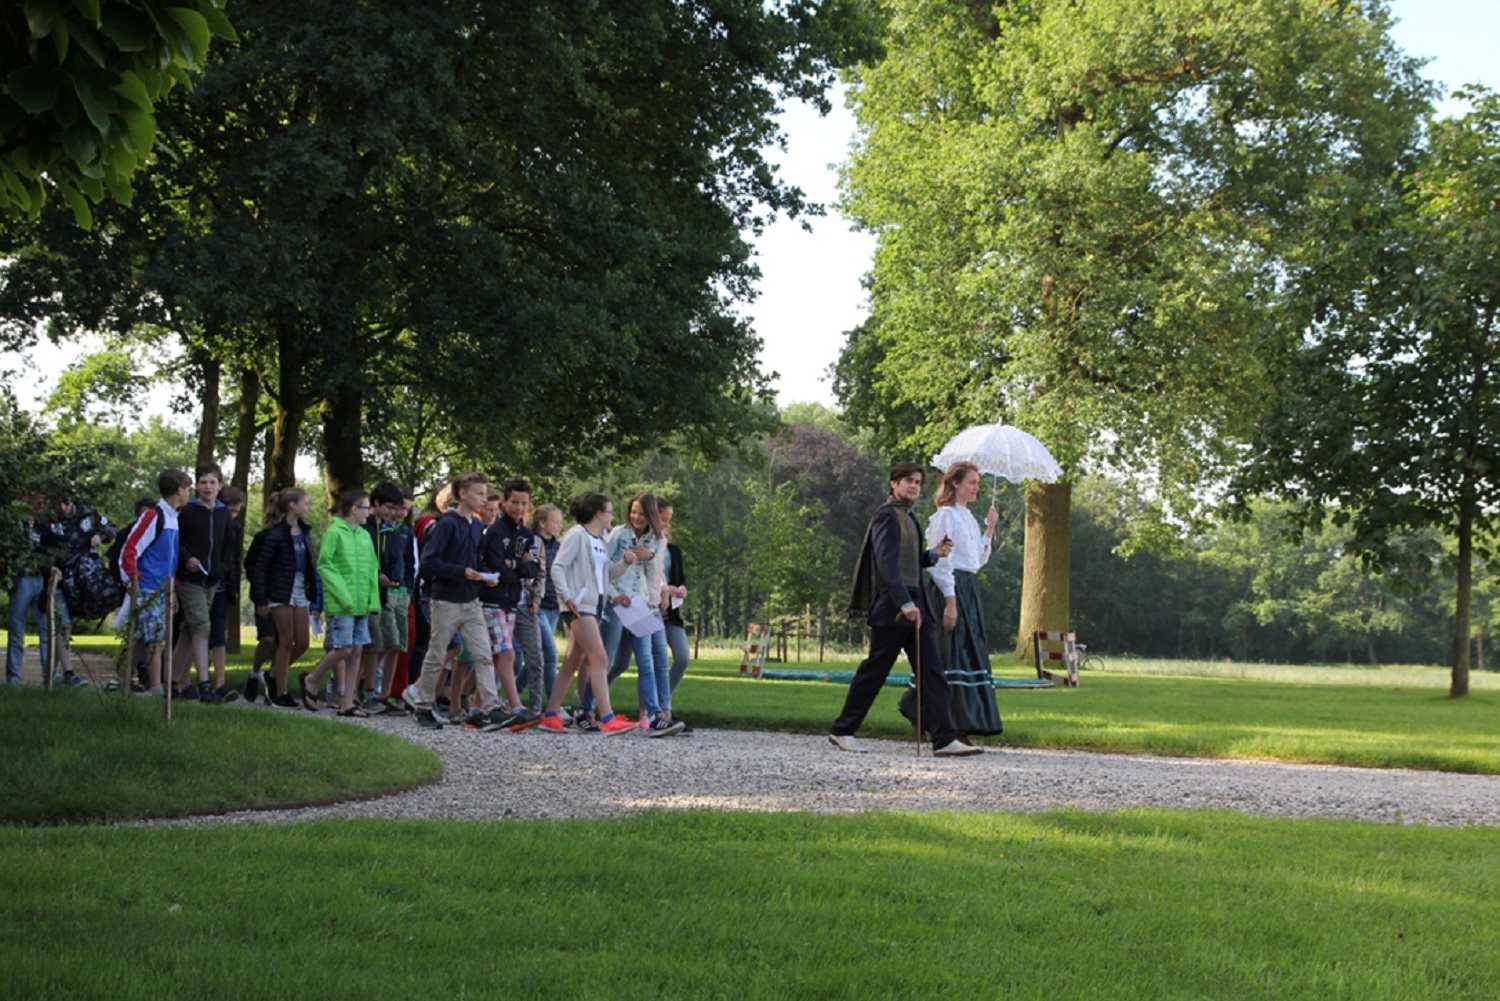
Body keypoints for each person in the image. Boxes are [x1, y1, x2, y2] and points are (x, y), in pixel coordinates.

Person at [830, 462, 981, 757]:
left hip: (916, 606)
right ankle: (843, 729)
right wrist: (905, 603)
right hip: (894, 608)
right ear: (894, 484)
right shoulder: (887, 517)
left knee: (932, 671)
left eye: (918, 483)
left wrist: (932, 555)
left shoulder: (907, 517)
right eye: (908, 481)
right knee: (875, 670)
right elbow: (887, 566)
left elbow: (909, 561)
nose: (914, 486)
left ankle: (944, 739)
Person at [405, 471, 510, 731]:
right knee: (437, 653)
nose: (484, 500)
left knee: (484, 654)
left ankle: (490, 708)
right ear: (462, 494)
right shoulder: (446, 524)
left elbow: (473, 560)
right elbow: (430, 563)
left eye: (485, 494)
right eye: (479, 494)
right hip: (446, 601)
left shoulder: (475, 526)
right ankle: (422, 706)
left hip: (471, 601)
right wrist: (461, 572)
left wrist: (484, 575)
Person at [538, 493, 636, 735]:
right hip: (579, 606)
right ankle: (608, 717)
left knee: (572, 662)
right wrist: (567, 596)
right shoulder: (576, 535)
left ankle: (550, 715)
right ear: (599, 513)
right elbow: (558, 567)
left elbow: (606, 575)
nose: (613, 515)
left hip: (593, 606)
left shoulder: (600, 540)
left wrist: (624, 564)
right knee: (600, 658)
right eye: (611, 511)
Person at [924, 461, 1003, 740]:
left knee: (969, 653)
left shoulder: (968, 518)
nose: (976, 488)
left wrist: (990, 529)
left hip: (968, 587)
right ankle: (942, 723)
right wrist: (950, 601)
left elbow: (976, 561)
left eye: (978, 483)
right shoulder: (945, 516)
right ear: (955, 483)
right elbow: (939, 561)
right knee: (949, 654)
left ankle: (962, 722)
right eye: (971, 482)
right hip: (951, 588)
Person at [301, 489, 380, 717]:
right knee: (343, 648)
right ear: (354, 509)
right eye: (366, 507)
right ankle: (312, 679)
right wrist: (343, 596)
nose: (370, 512)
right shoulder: (334, 533)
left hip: (361, 605)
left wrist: (371, 601)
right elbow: (325, 565)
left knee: (357, 650)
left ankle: (348, 702)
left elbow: (372, 570)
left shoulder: (365, 536)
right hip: (342, 604)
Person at [119, 469, 193, 696]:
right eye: (188, 489)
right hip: (148, 586)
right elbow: (130, 548)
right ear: (180, 490)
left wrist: (174, 587)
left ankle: (120, 678)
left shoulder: (173, 518)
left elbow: (169, 558)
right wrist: (131, 578)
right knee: (156, 639)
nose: (189, 493)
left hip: (163, 587)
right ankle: (156, 687)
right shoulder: (154, 516)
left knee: (143, 638)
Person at [478, 478, 542, 726]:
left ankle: (476, 707)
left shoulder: (527, 534)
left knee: (496, 658)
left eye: (523, 503)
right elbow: (496, 569)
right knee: (507, 653)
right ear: (505, 502)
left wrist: (514, 564)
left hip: (513, 601)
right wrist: (518, 567)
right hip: (492, 600)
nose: (518, 507)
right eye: (514, 502)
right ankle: (516, 707)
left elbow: (533, 569)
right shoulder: (494, 532)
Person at [250, 487, 319, 709]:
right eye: (305, 503)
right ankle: (280, 692)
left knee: (303, 642)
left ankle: (272, 675)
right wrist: (261, 599)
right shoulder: (276, 534)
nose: (308, 507)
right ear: (292, 506)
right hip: (280, 591)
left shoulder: (305, 532)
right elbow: (260, 568)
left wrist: (314, 594)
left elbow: (309, 565)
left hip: (300, 589)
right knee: (285, 640)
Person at [172, 463, 232, 703]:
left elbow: (229, 544)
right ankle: (205, 684)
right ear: (197, 486)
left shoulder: (223, 512)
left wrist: (223, 566)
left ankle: (172, 683)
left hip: (212, 580)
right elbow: (177, 542)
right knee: (202, 628)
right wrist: (187, 559)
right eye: (203, 482)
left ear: (219, 485)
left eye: (212, 482)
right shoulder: (187, 511)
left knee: (189, 632)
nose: (208, 487)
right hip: (191, 579)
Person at [41, 495, 117, 687]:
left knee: (68, 624)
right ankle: (68, 673)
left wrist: (100, 536)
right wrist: (48, 568)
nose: (61, 507)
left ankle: (52, 675)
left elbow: (111, 528)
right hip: (58, 578)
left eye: (64, 503)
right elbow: (36, 550)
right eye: (57, 503)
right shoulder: (47, 520)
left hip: (83, 580)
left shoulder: (87, 513)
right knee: (63, 624)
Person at [6, 496, 55, 685]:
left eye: (44, 501)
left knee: (45, 628)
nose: (41, 504)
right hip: (23, 578)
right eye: (38, 500)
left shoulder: (46, 524)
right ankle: (13, 677)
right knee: (17, 628)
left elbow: (52, 550)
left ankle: (50, 676)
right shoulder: (16, 524)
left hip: (41, 579)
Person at [657, 499, 690, 695]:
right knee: (620, 662)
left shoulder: (673, 550)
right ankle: (657, 709)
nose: (666, 524)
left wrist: (682, 588)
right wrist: (663, 588)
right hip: (652, 608)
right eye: (663, 519)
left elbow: (680, 577)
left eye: (669, 520)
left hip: (671, 612)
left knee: (683, 658)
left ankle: (663, 701)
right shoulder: (646, 547)